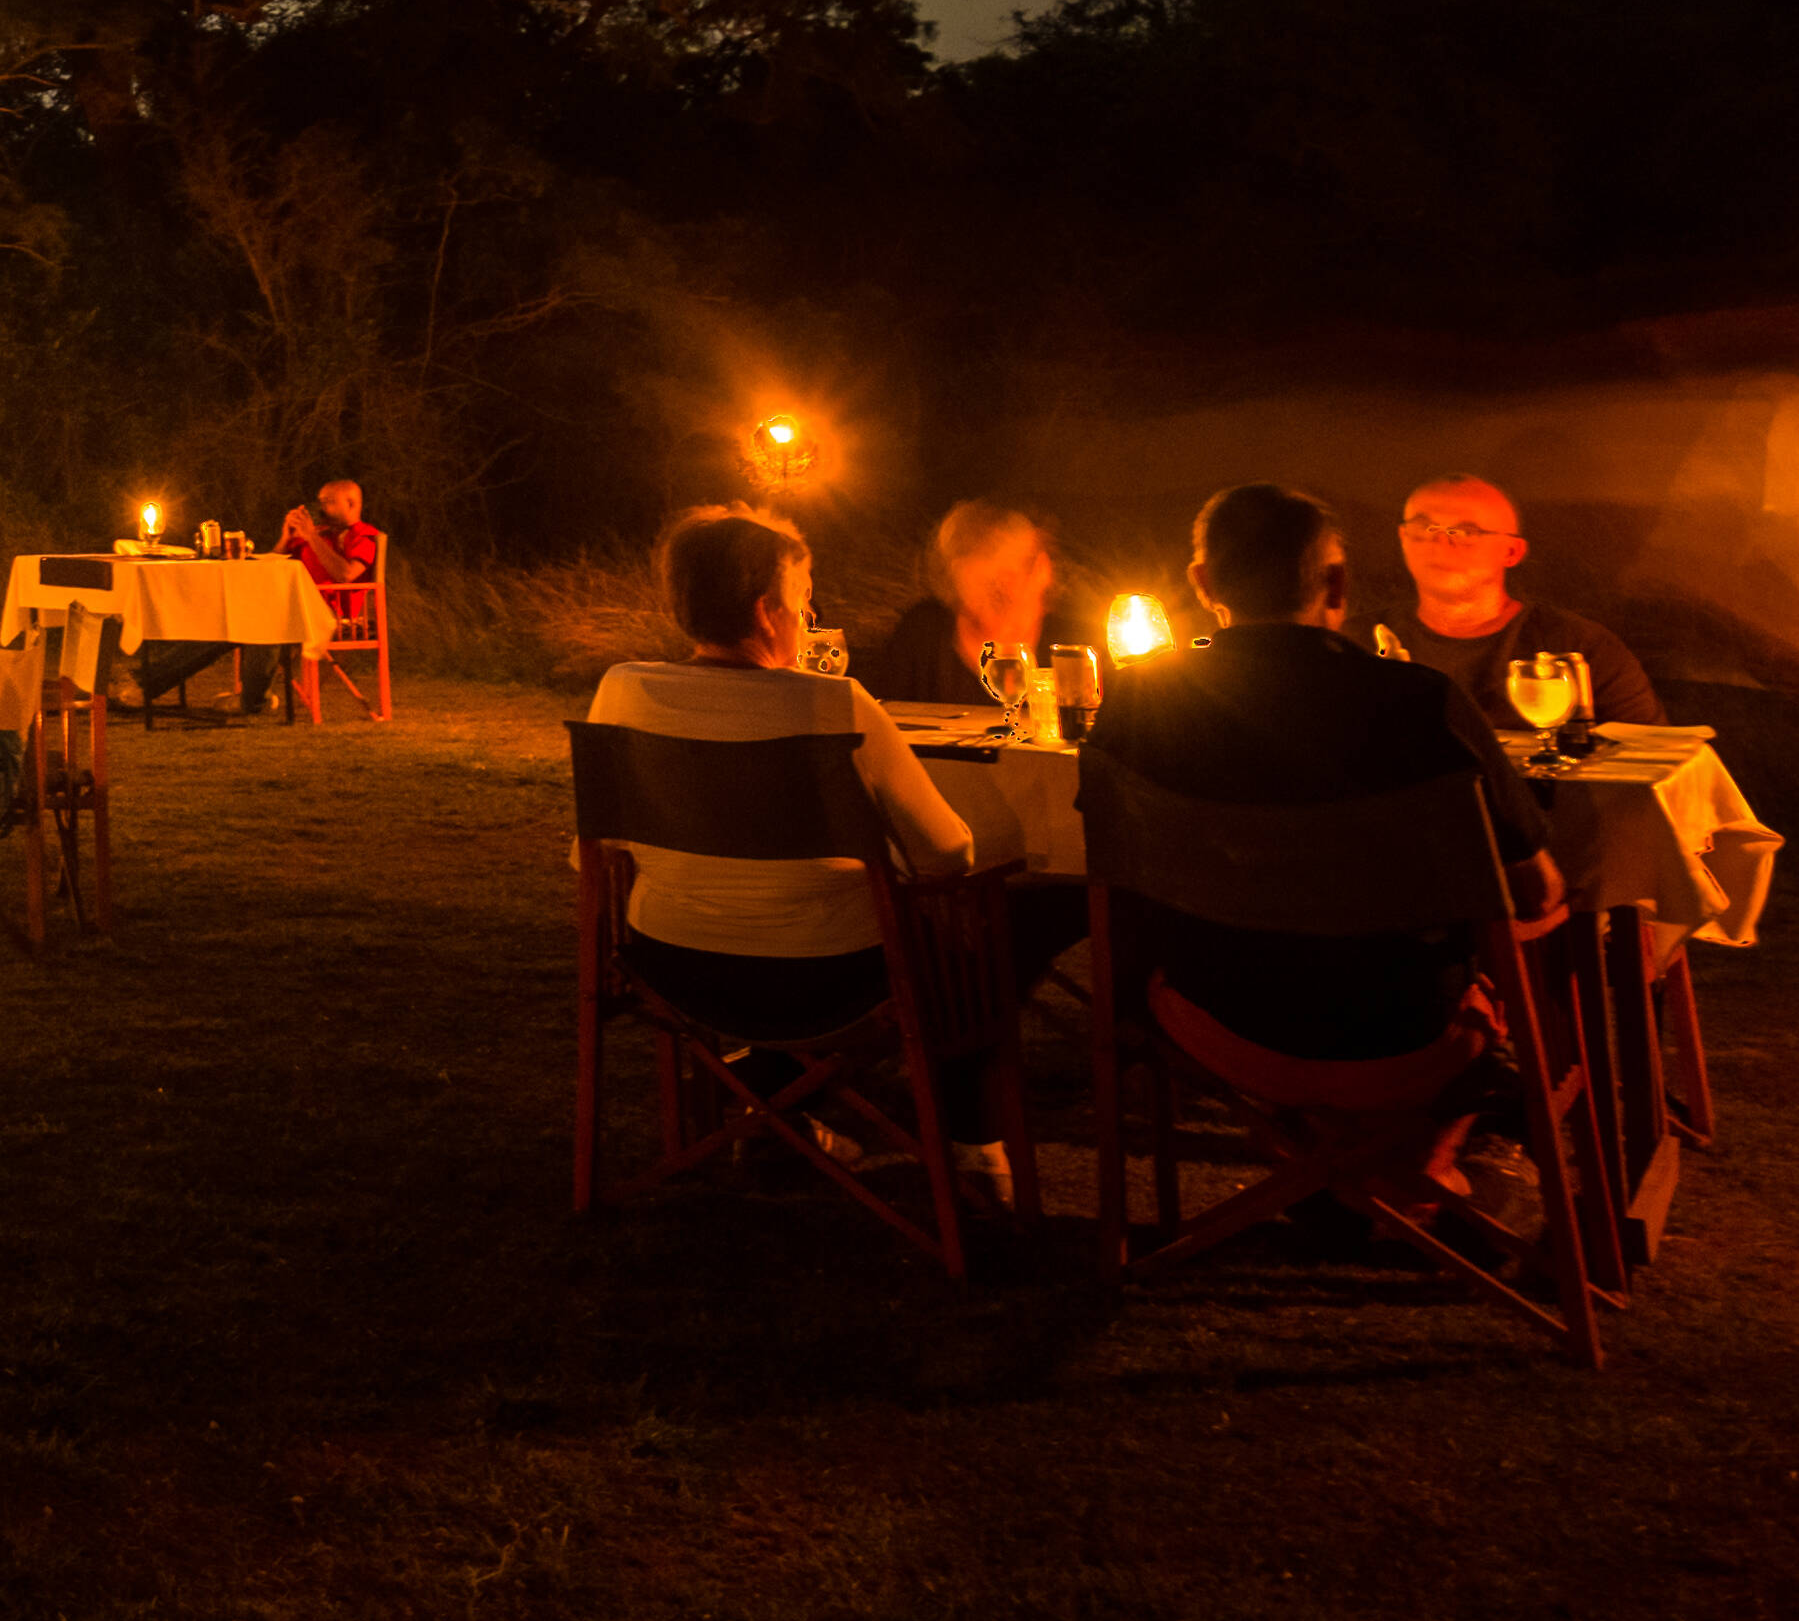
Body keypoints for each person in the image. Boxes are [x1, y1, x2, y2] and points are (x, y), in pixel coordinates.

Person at [584, 507, 1004, 1184]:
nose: (807, 619)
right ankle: (974, 1149)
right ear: (766, 611)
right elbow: (947, 856)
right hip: (830, 980)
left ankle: (771, 1112)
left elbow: (592, 855)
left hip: (671, 968)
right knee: (981, 944)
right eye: (804, 603)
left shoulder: (622, 689)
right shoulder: (835, 703)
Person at [1085, 482, 1557, 1075]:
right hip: (1406, 1026)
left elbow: (1118, 869)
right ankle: (1471, 1127)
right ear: (1337, 584)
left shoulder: (1136, 702)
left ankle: (1384, 1148)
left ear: (1202, 584)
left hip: (1212, 1014)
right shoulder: (1421, 703)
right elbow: (1537, 891)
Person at [1392, 471, 1662, 731]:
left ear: (1512, 551)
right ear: (1403, 538)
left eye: (1467, 532)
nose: (1440, 543)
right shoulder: (1360, 642)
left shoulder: (1582, 649)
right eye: (1424, 527)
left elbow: (1655, 761)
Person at [129, 473, 372, 717]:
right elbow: (275, 563)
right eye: (320, 501)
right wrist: (286, 537)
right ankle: (144, 685)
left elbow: (346, 574)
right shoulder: (317, 534)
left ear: (351, 504)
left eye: (329, 501)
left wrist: (310, 537)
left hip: (326, 611)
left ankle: (253, 701)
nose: (321, 507)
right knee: (225, 621)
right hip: (285, 602)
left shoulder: (364, 537)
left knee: (265, 624)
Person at [865, 501, 1065, 711]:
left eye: (1007, 575)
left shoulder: (1071, 647)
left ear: (1040, 572)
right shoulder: (924, 633)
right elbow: (880, 719)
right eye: (981, 581)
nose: (999, 590)